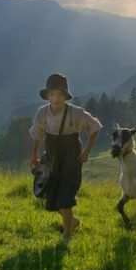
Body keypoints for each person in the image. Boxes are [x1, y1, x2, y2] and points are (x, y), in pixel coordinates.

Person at [28, 73, 102, 244]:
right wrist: (35, 155)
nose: (56, 98)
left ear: (65, 95)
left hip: (70, 158)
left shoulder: (75, 112)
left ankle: (67, 235)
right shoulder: (42, 113)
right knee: (47, 191)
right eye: (52, 94)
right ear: (47, 95)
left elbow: (94, 127)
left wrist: (86, 152)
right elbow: (37, 134)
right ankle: (73, 221)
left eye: (60, 94)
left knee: (65, 196)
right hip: (52, 155)